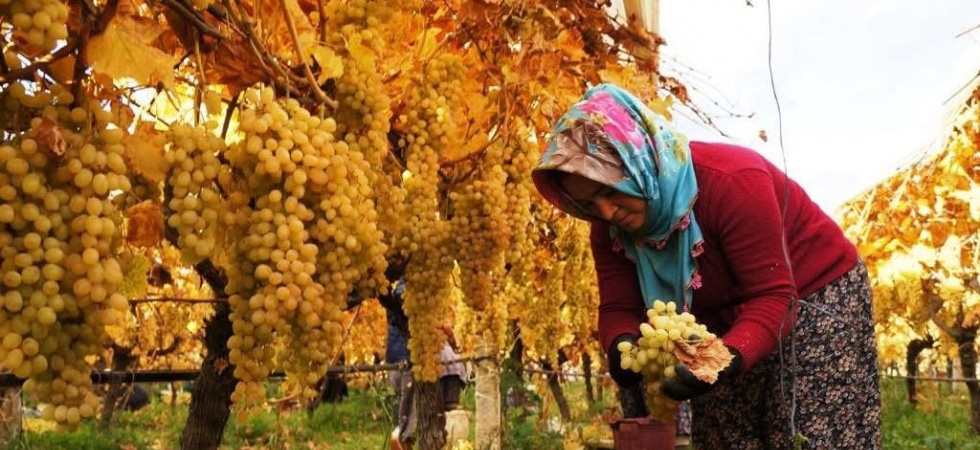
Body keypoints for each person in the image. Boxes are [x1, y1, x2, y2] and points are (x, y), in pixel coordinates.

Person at [531, 83, 881, 449]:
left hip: (813, 294)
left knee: (807, 431)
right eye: (588, 203)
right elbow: (619, 307)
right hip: (723, 315)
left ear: (639, 164)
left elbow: (773, 295)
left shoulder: (732, 182)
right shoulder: (610, 229)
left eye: (609, 190)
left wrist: (725, 358)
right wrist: (623, 346)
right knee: (725, 435)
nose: (604, 211)